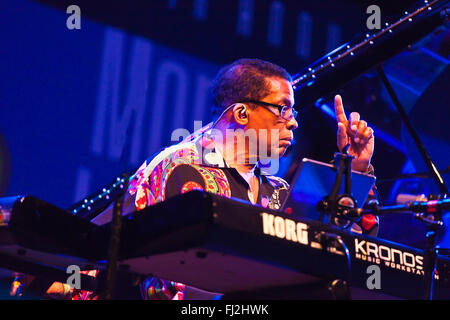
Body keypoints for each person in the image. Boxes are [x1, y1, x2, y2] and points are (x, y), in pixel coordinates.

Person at [10, 58, 378, 300]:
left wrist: (355, 170)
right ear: (241, 113)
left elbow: (340, 255)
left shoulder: (278, 192)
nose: (294, 121)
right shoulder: (180, 169)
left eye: (293, 112)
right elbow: (147, 278)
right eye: (282, 108)